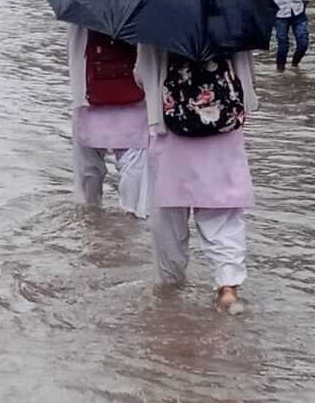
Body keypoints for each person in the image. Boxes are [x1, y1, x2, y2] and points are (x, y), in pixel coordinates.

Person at [134, 46, 259, 314]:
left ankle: (171, 290)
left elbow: (142, 76)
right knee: (223, 213)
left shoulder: (157, 25)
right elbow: (248, 72)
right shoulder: (232, 21)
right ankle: (228, 287)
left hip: (170, 130)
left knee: (168, 216)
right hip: (223, 129)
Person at [67, 25, 150, 219]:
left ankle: (91, 217)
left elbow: (74, 51)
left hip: (90, 98)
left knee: (89, 171)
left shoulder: (82, 14)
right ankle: (131, 218)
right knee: (134, 166)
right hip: (133, 102)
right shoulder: (147, 14)